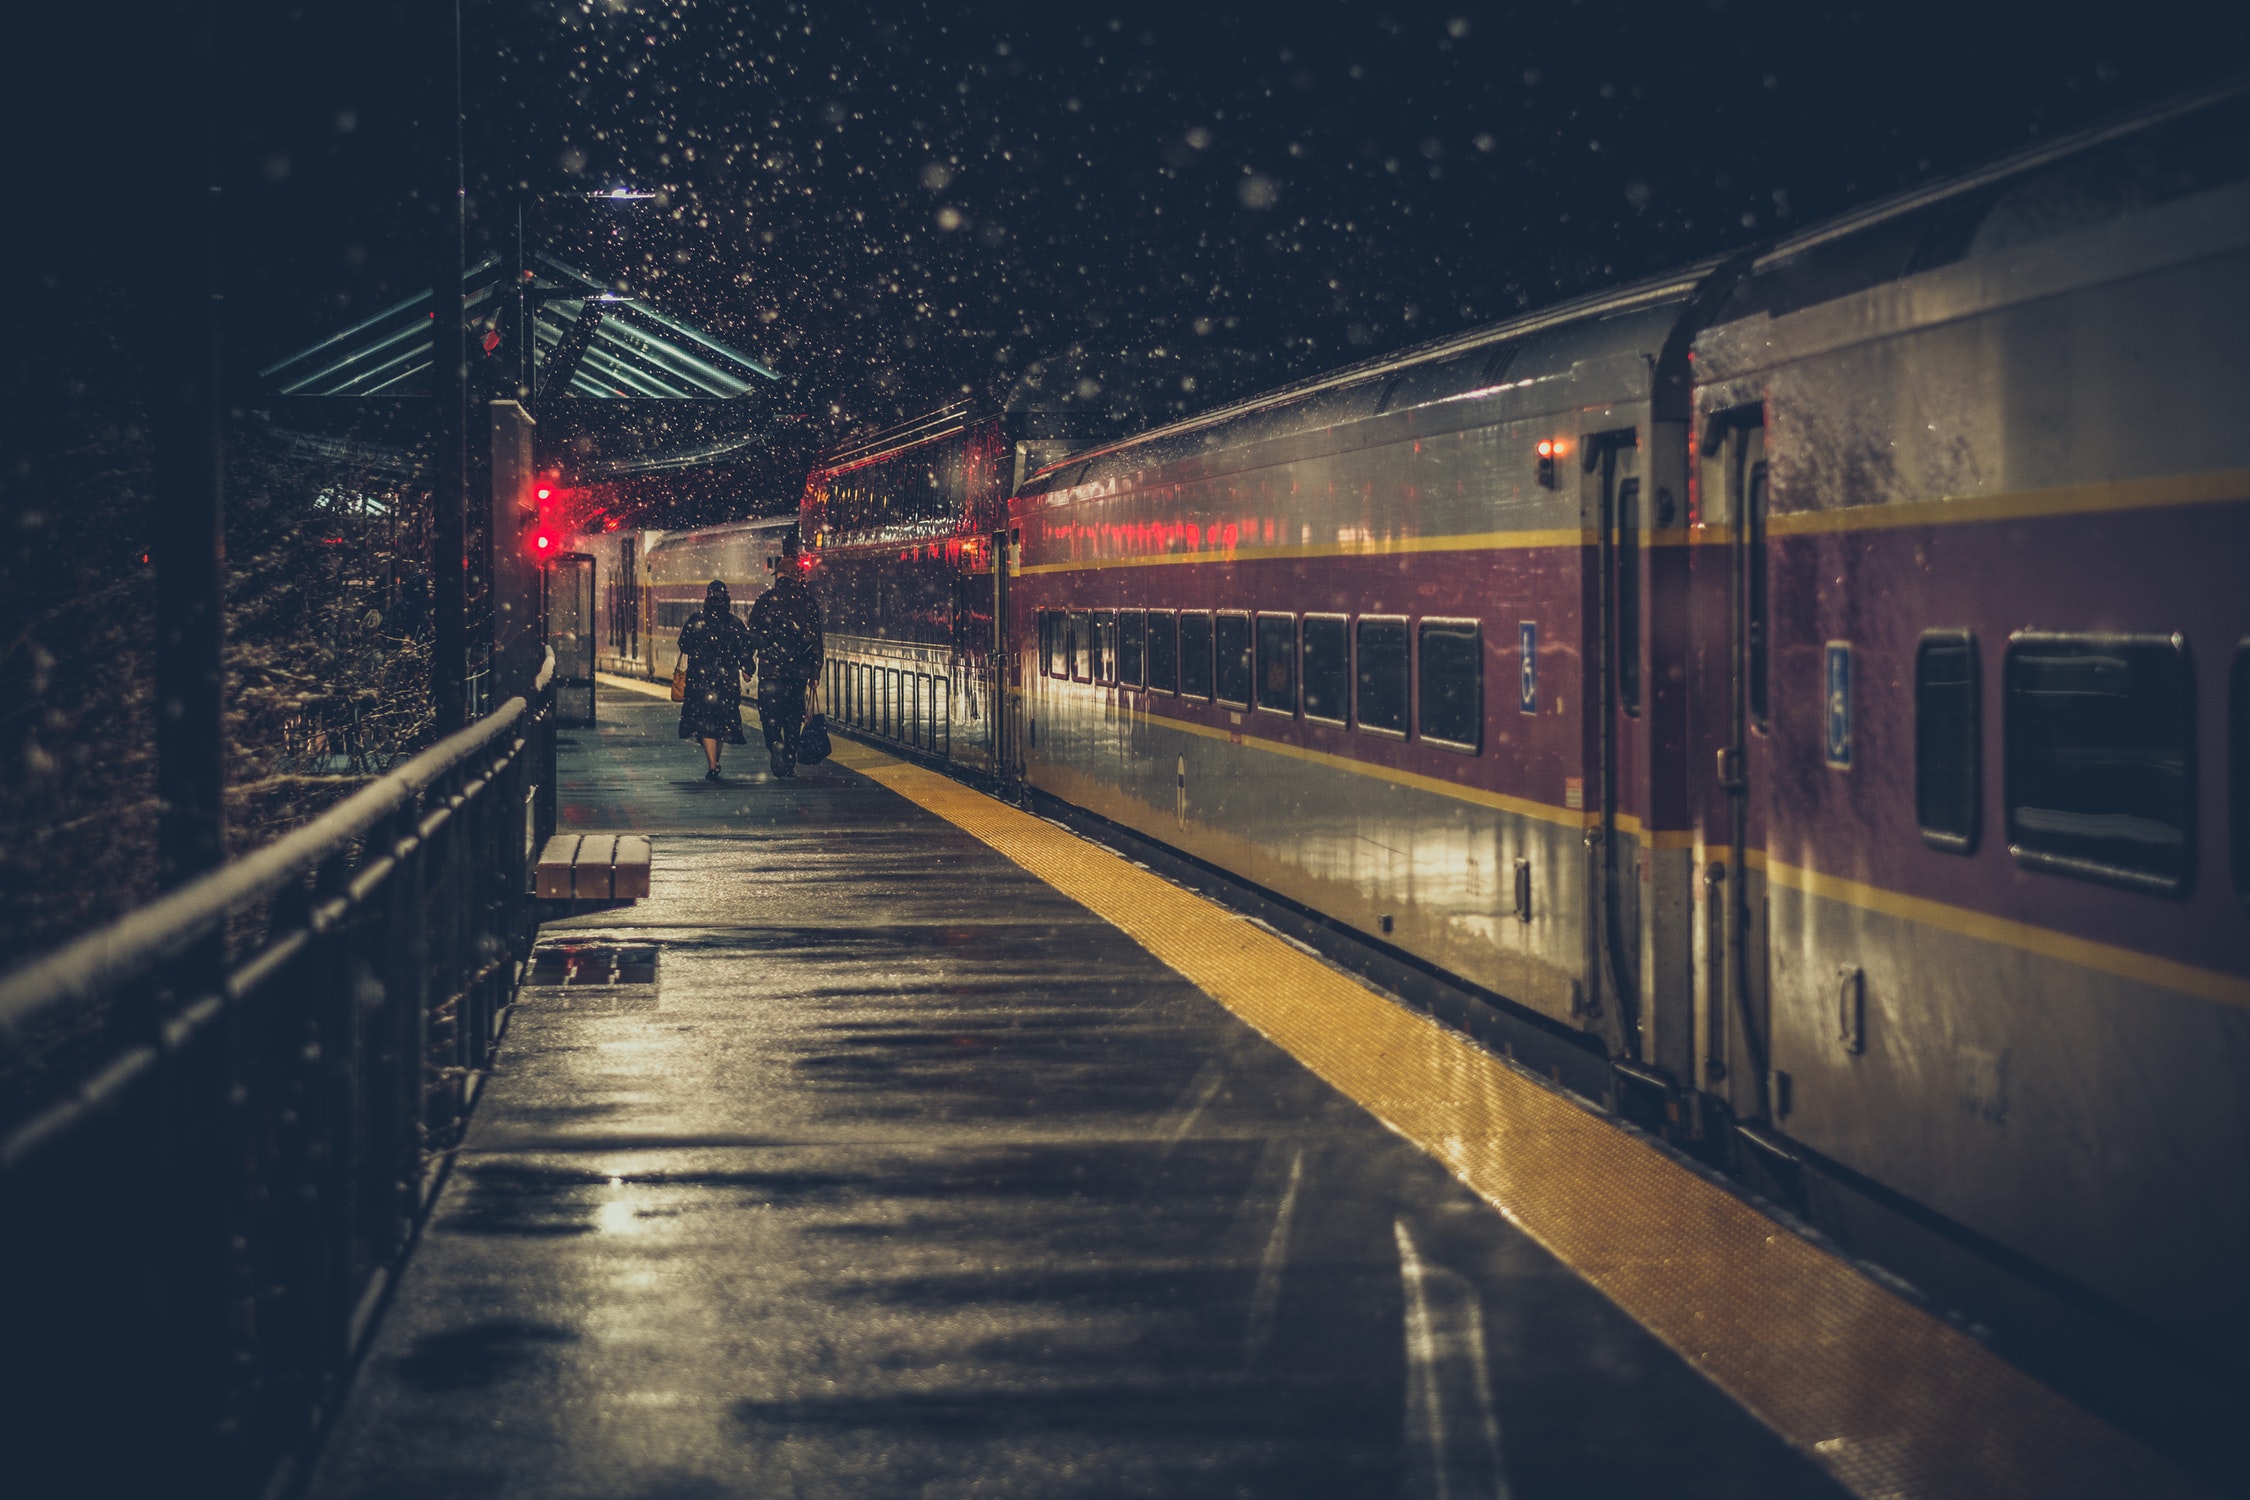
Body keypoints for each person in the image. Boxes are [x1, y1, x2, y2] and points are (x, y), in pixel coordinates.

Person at [746, 533, 825, 778]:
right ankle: (789, 755)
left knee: (769, 715)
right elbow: (816, 641)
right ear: (796, 576)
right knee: (793, 716)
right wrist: (814, 672)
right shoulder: (808, 603)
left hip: (771, 671)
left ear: (778, 576)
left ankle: (775, 744)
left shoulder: (765, 601)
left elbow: (753, 636)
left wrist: (748, 663)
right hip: (797, 673)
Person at [675, 579, 753, 780]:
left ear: (707, 598)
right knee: (721, 723)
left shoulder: (696, 620)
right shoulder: (734, 623)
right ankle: (714, 762)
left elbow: (683, 644)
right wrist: (747, 668)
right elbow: (745, 649)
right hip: (726, 681)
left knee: (706, 723)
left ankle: (712, 764)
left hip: (700, 681)